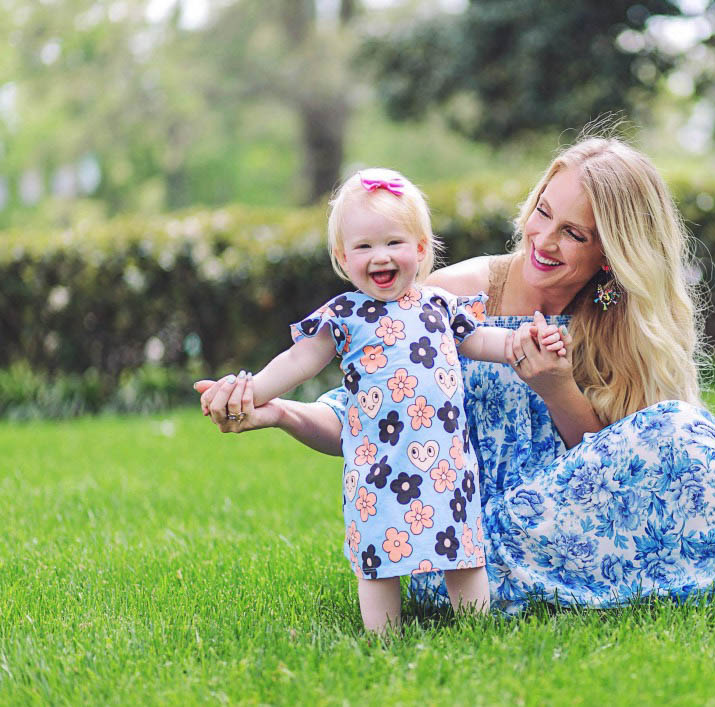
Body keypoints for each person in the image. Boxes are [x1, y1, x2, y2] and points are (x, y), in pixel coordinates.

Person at [197, 136, 715, 620]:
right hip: (465, 553)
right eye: (544, 212)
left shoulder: (618, 326)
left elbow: (629, 468)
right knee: (689, 433)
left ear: (613, 252)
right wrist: (275, 411)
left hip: (575, 522)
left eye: (576, 231)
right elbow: (359, 420)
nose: (546, 239)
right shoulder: (446, 297)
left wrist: (559, 389)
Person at [208, 167, 568, 634]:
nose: (381, 256)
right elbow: (298, 363)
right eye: (364, 247)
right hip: (378, 470)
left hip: (446, 465)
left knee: (462, 551)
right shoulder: (345, 316)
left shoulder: (439, 305)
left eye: (394, 242)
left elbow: (485, 343)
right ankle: (383, 637)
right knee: (378, 559)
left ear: (420, 249)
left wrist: (527, 340)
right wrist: (249, 390)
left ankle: (478, 631)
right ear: (342, 257)